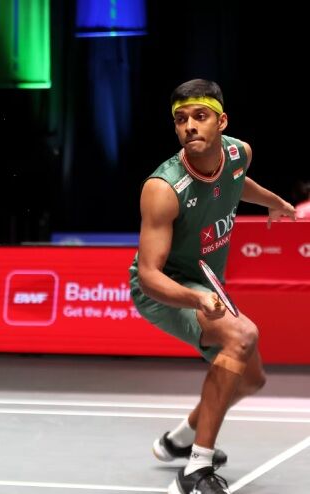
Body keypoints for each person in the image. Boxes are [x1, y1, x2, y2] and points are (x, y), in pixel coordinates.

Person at [129, 79, 296, 494]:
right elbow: (149, 275)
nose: (189, 126)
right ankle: (197, 468)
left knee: (252, 379)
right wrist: (196, 297)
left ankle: (179, 440)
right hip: (165, 289)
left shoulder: (239, 154)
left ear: (221, 122)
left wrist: (273, 202)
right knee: (243, 335)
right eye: (180, 119)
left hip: (206, 284)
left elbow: (235, 182)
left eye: (200, 116)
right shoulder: (163, 189)